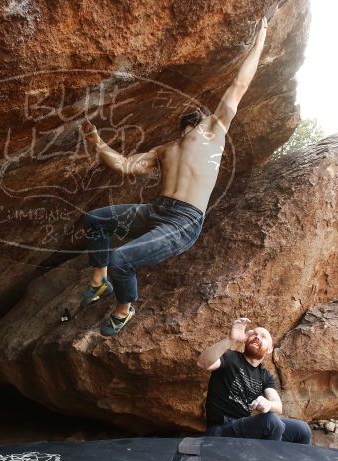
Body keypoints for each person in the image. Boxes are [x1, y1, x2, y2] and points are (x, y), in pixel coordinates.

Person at [79, 18, 269, 336]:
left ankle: (123, 309)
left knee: (122, 259)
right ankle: (99, 282)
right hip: (157, 210)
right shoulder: (165, 149)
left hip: (183, 222)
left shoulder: (213, 131)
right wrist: (97, 143)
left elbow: (239, 85)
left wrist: (262, 36)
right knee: (95, 220)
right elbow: (125, 165)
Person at [196, 317, 312, 444]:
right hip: (221, 429)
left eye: (263, 337)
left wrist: (268, 404)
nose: (257, 337)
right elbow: (202, 363)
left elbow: (278, 406)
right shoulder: (230, 357)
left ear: (269, 349)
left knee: (302, 429)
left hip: (244, 427)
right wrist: (230, 339)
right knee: (271, 421)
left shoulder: (264, 375)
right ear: (246, 340)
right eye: (254, 334)